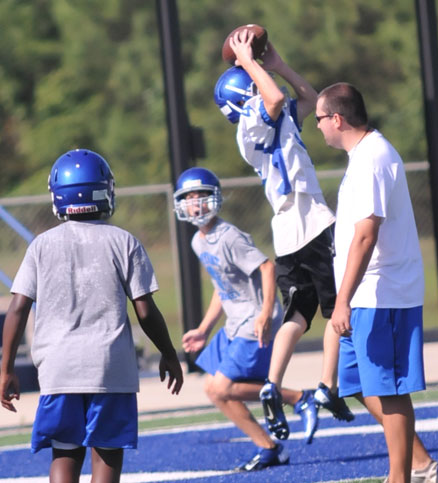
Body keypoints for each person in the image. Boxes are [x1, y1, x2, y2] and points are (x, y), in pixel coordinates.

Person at [0, 149, 184, 483]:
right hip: (109, 367)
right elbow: (145, 310)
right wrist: (169, 353)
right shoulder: (123, 241)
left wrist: (6, 368)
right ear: (104, 191)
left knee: (65, 453)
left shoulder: (41, 245)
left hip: (58, 367)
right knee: (107, 454)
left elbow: (18, 308)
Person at [213, 28, 354, 442]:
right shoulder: (253, 121)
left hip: (288, 231)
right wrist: (248, 60)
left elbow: (311, 99)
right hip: (311, 220)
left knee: (297, 314)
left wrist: (278, 65)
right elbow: (273, 98)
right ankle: (327, 385)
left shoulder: (269, 119)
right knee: (338, 307)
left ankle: (272, 384)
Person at [315, 82, 438, 483]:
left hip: (381, 293)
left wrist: (342, 300)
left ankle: (400, 477)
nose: (317, 126)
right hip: (364, 295)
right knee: (355, 380)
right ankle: (422, 464)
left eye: (319, 119)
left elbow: (366, 235)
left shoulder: (373, 158)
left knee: (389, 389)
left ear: (337, 119)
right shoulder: (362, 156)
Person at [174, 167, 318, 470]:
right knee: (213, 389)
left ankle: (297, 397)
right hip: (234, 323)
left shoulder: (229, 237)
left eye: (201, 196)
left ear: (214, 198)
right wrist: (204, 329)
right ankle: (268, 448)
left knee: (222, 387)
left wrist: (265, 312)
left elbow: (267, 268)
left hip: (254, 322)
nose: (196, 204)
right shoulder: (198, 242)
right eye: (189, 198)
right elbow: (222, 287)